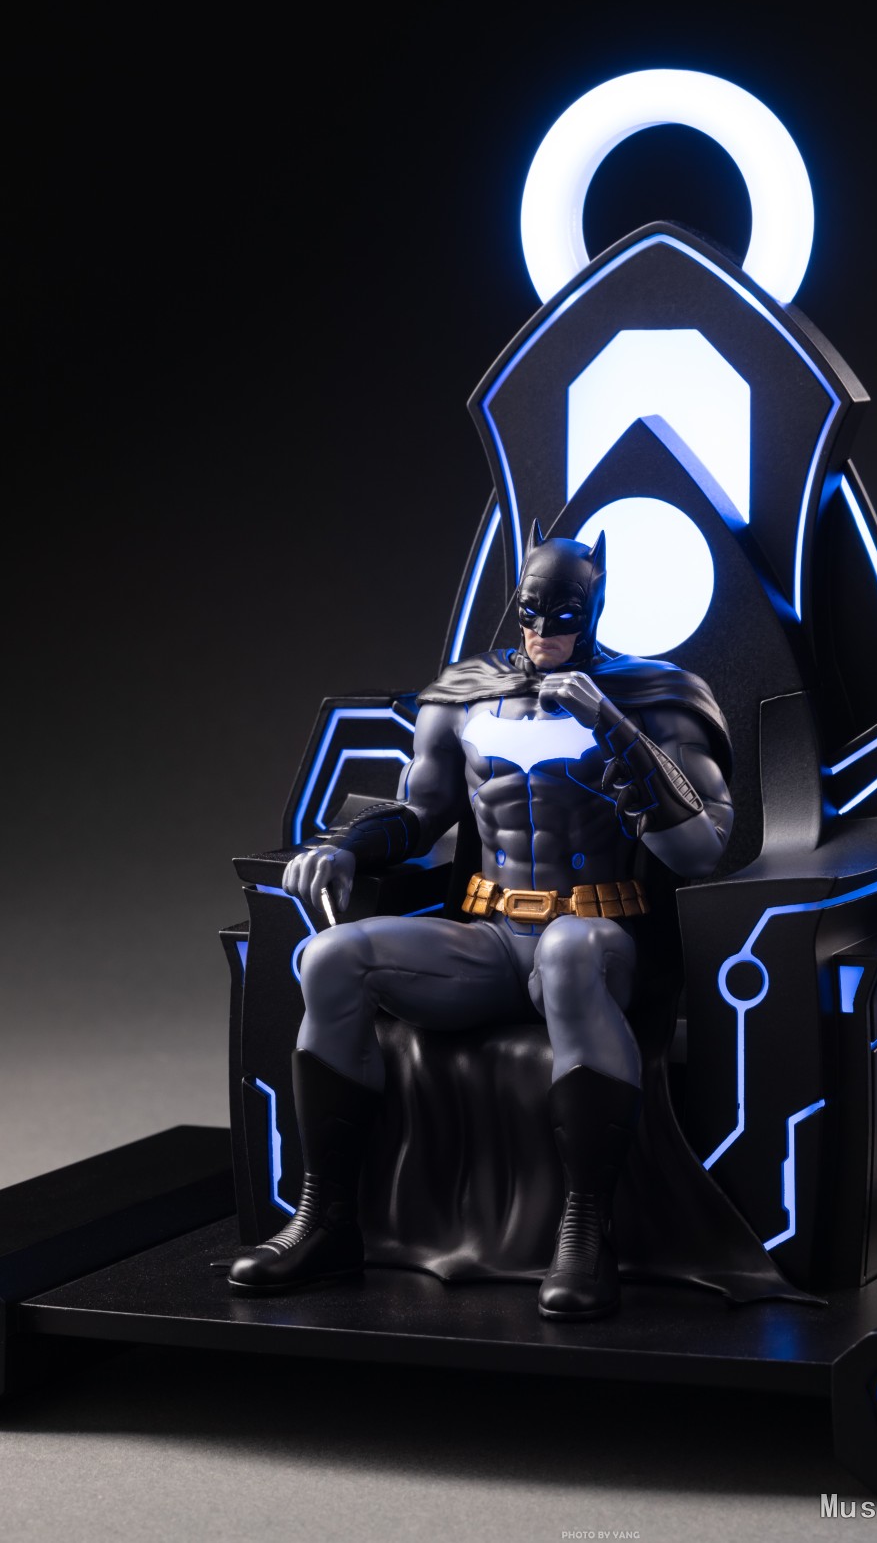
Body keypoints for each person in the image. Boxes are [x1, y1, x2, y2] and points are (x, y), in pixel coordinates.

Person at [229, 525, 734, 1318]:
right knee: (331, 958)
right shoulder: (466, 694)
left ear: (596, 604)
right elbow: (421, 812)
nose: (543, 632)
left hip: (599, 938)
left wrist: (613, 725)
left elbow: (702, 848)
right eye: (531, 612)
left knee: (569, 952)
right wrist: (346, 846)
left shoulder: (652, 697)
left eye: (563, 615)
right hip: (493, 938)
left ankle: (586, 1234)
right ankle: (324, 1220)